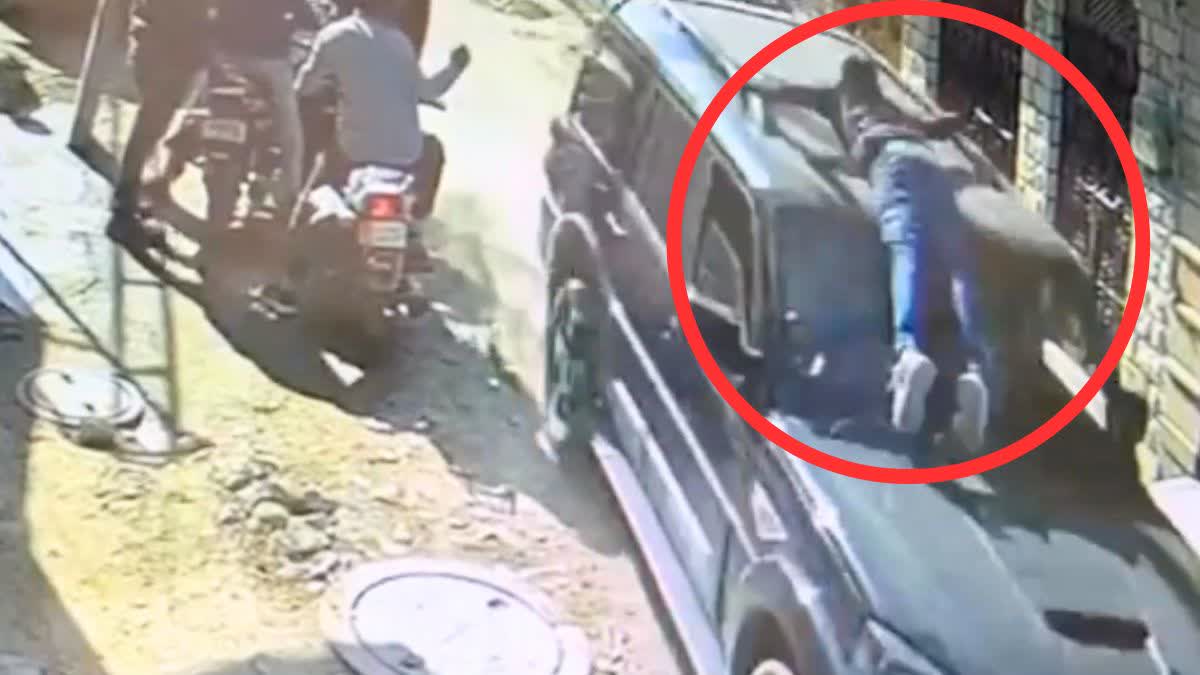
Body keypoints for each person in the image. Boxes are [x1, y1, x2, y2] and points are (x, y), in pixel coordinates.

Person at [748, 54, 993, 453]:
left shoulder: (835, 98)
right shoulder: (893, 109)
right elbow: (939, 126)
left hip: (890, 164)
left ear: (845, 79)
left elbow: (783, 94)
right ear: (875, 81)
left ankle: (909, 350)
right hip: (930, 166)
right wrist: (961, 117)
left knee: (907, 252)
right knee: (958, 266)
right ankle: (973, 365)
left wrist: (751, 88)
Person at [254, 0, 470, 313]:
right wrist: (455, 67)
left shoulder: (335, 35)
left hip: (355, 151)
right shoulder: (400, 43)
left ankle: (286, 285)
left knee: (310, 198)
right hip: (405, 156)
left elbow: (304, 86)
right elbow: (428, 91)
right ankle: (412, 231)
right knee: (433, 150)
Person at [109, 0, 212, 249]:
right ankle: (124, 208)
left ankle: (139, 194)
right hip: (170, 52)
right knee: (149, 128)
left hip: (154, 45)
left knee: (152, 127)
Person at [208, 0, 321, 217]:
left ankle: (166, 166)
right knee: (290, 133)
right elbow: (310, 22)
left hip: (225, 60)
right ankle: (291, 194)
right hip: (271, 62)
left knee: (204, 112)